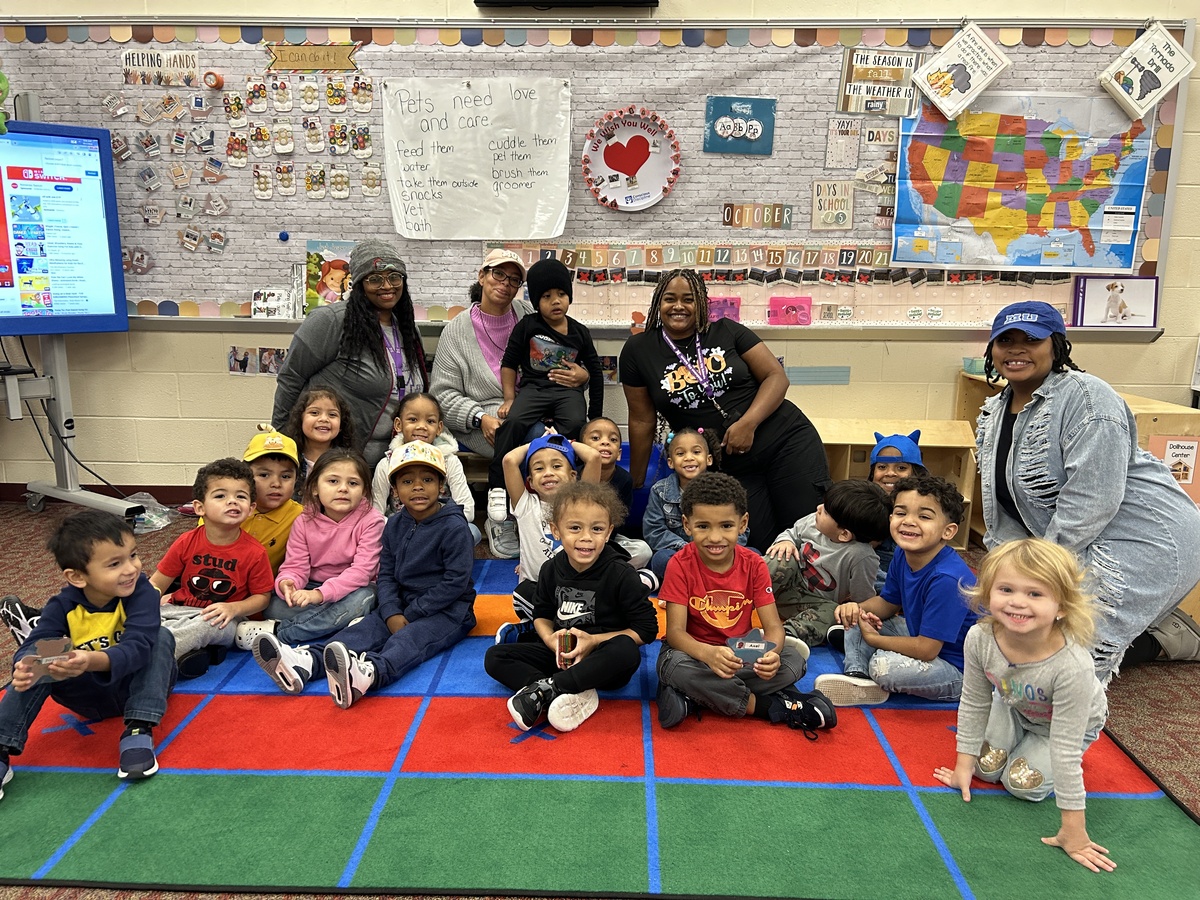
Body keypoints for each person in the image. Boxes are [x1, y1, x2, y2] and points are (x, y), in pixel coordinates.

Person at [976, 301, 1200, 679]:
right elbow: (1005, 504)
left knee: (1060, 666)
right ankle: (1156, 627)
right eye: (1005, 340)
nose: (1016, 349)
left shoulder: (1088, 398)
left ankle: (1168, 639)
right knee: (1008, 639)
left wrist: (1038, 573)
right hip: (1080, 538)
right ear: (991, 350)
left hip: (1145, 538)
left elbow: (1093, 501)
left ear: (1057, 345)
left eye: (1031, 339)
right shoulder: (996, 411)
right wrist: (1007, 573)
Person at [250, 442, 476, 708]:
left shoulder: (454, 527)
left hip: (448, 611)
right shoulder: (394, 524)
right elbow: (387, 574)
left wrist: (412, 614)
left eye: (427, 480)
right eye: (407, 481)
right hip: (400, 603)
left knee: (409, 639)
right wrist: (392, 611)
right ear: (395, 490)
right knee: (361, 631)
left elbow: (455, 582)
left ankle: (368, 674)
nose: (417, 487)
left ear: (441, 487)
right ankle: (307, 662)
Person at [934, 538, 1113, 873]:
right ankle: (1012, 744)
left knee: (1021, 785)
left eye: (1035, 594)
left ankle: (1030, 751)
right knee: (984, 770)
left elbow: (1064, 746)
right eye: (1006, 589)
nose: (1018, 603)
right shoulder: (981, 637)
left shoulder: (1072, 665)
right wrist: (963, 765)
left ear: (1061, 606)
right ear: (988, 593)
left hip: (1061, 727)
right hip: (1015, 705)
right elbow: (974, 700)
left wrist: (1073, 830)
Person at [620, 268, 831, 550]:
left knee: (808, 529)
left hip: (784, 441)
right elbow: (642, 420)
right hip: (728, 464)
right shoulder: (639, 349)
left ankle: (810, 592)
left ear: (702, 303)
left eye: (689, 299)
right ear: (658, 302)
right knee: (756, 543)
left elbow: (776, 377)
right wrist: (636, 479)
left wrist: (748, 423)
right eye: (670, 299)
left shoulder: (726, 331)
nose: (679, 306)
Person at [0, 511, 176, 795]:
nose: (132, 568)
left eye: (133, 555)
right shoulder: (62, 604)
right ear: (77, 577)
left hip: (135, 687)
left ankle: (138, 730)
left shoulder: (141, 593)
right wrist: (25, 665)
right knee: (36, 657)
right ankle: (1, 747)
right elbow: (38, 642)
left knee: (160, 636)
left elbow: (139, 646)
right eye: (115, 563)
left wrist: (90, 660)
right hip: (84, 694)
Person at [655, 472, 836, 736]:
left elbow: (774, 627)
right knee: (674, 667)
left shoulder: (754, 564)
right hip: (694, 655)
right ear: (686, 524)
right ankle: (771, 707)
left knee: (793, 662)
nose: (715, 537)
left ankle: (695, 696)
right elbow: (675, 634)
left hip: (740, 654)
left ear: (743, 524)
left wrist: (770, 654)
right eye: (703, 526)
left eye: (726, 526)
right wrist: (708, 654)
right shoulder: (679, 564)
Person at [483, 482, 659, 733]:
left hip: (603, 662)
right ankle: (560, 689)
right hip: (563, 655)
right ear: (556, 530)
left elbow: (646, 630)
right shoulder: (550, 569)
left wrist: (593, 641)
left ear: (608, 533)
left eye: (596, 529)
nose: (586, 537)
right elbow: (542, 614)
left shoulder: (621, 573)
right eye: (575, 528)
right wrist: (550, 638)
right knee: (495, 656)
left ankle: (548, 690)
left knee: (626, 650)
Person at [815, 475, 978, 706]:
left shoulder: (947, 578)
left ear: (948, 531)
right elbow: (888, 603)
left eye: (924, 516)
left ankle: (866, 661)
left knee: (885, 668)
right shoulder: (903, 553)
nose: (909, 521)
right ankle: (857, 675)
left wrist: (875, 640)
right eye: (901, 513)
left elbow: (927, 649)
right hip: (919, 634)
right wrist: (855, 609)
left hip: (956, 669)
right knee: (856, 622)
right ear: (891, 517)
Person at [274, 239, 428, 469]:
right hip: (340, 459)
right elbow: (290, 379)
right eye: (374, 279)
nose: (387, 286)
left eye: (394, 277)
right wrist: (280, 444)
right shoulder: (331, 321)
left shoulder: (407, 328)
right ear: (358, 284)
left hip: (395, 457)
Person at [429, 248, 539, 558]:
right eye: (498, 274)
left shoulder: (529, 316)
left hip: (530, 410)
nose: (506, 283)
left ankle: (543, 519)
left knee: (556, 434)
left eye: (514, 279)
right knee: (536, 440)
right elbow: (443, 396)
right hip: (481, 422)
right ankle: (500, 517)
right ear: (482, 276)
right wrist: (480, 418)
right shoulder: (456, 330)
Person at [488, 257, 604, 518]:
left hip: (568, 393)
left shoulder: (580, 332)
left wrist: (595, 415)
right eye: (547, 296)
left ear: (570, 297)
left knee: (576, 424)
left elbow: (595, 372)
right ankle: (497, 486)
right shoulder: (528, 326)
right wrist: (509, 399)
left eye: (562, 294)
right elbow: (508, 363)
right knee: (513, 424)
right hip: (534, 390)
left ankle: (570, 486)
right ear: (536, 301)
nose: (555, 301)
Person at [236, 449, 384, 650]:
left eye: (353, 483)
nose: (343, 489)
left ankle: (279, 633)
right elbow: (295, 565)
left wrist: (320, 595)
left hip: (353, 589)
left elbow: (362, 572)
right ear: (315, 487)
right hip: (312, 587)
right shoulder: (304, 521)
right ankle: (336, 624)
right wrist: (288, 583)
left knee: (363, 599)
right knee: (272, 605)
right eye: (333, 481)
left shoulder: (372, 520)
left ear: (364, 490)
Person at [151, 459, 274, 679]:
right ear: (199, 507)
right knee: (145, 617)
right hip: (177, 609)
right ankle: (172, 655)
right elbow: (156, 584)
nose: (232, 502)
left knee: (202, 626)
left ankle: (150, 661)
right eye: (220, 496)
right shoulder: (186, 541)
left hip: (222, 619)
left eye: (241, 496)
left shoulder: (255, 552)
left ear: (251, 508)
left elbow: (262, 598)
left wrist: (234, 609)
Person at [765, 479, 890, 648]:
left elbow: (862, 600)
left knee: (833, 612)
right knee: (782, 557)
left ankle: (788, 635)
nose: (818, 508)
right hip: (777, 585)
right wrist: (785, 542)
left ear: (844, 534)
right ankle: (740, 594)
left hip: (809, 603)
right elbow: (791, 534)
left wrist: (853, 610)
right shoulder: (813, 521)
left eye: (826, 511)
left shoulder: (861, 557)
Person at [498, 433, 601, 635]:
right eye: (538, 468)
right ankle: (558, 627)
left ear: (573, 476)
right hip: (538, 592)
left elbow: (594, 458)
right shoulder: (526, 505)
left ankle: (541, 631)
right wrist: (537, 443)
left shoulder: (580, 503)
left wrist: (566, 442)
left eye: (556, 466)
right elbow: (509, 460)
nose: (548, 473)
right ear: (531, 481)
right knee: (522, 593)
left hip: (574, 592)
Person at [370, 393, 478, 544]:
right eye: (413, 419)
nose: (421, 426)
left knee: (471, 532)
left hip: (441, 528)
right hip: (402, 529)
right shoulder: (387, 463)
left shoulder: (450, 461)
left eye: (430, 421)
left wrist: (437, 526)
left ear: (439, 427)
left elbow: (467, 509)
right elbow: (376, 513)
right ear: (398, 424)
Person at [644, 426, 744, 585]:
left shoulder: (725, 488)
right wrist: (687, 548)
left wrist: (718, 549)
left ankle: (715, 584)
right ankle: (697, 585)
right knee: (661, 559)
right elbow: (654, 531)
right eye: (680, 453)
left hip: (720, 551)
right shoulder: (659, 491)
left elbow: (741, 530)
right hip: (682, 555)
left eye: (696, 452)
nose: (689, 458)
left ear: (709, 459)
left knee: (754, 555)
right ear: (670, 462)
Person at [578, 416, 652, 571]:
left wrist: (600, 542)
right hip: (574, 538)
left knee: (643, 551)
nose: (605, 442)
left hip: (607, 538)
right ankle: (600, 570)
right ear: (582, 450)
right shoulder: (573, 476)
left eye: (612, 439)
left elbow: (619, 522)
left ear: (618, 454)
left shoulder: (624, 479)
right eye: (596, 438)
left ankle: (600, 571)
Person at [866, 431, 927, 598]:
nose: (890, 473)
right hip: (874, 563)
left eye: (901, 468)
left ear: (915, 472)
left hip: (909, 560)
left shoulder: (923, 502)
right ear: (873, 473)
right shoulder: (867, 500)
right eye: (882, 467)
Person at [240, 429, 304, 573]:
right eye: (264, 475)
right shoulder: (228, 507)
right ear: (245, 476)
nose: (276, 483)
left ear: (296, 480)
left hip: (270, 587)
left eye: (286, 477)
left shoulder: (301, 517)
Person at [280, 386, 358, 498]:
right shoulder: (285, 458)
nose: (324, 419)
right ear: (300, 419)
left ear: (341, 424)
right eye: (315, 413)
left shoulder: (350, 462)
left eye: (332, 415)